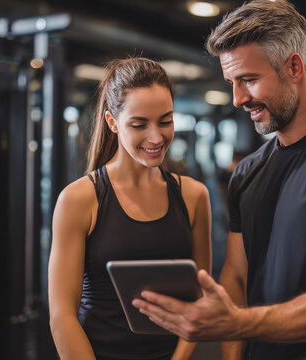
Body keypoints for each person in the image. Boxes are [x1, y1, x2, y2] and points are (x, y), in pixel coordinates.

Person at [132, 1, 306, 359]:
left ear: (294, 66)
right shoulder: (248, 173)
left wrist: (236, 323)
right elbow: (235, 278)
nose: (237, 98)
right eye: (232, 83)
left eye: (248, 80)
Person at [48, 57, 211, 360]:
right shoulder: (79, 199)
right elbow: (61, 316)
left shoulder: (193, 196)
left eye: (166, 121)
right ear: (112, 122)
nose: (156, 137)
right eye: (139, 124)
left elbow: (201, 302)